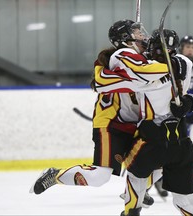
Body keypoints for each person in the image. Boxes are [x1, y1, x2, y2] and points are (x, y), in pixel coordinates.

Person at [29, 19, 169, 209]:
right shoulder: (123, 54)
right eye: (138, 32)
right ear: (125, 38)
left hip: (134, 124)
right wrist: (173, 66)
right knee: (98, 177)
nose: (143, 35)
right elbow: (143, 72)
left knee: (163, 161)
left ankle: (136, 191)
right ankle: (56, 175)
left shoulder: (141, 56)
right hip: (112, 125)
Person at [95, 28, 193, 216]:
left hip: (152, 142)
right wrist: (190, 102)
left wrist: (123, 55)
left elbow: (102, 83)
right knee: (186, 200)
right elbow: (188, 94)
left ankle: (131, 210)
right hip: (182, 144)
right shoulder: (185, 63)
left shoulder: (144, 73)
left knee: (133, 174)